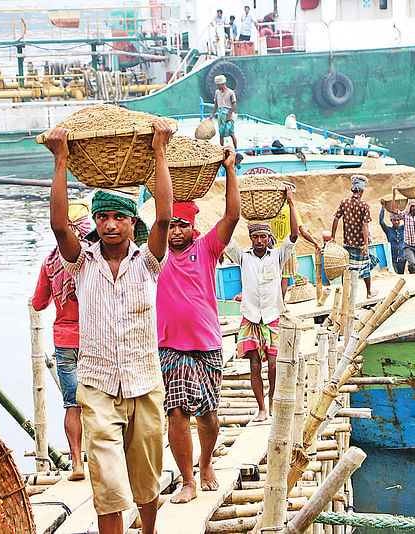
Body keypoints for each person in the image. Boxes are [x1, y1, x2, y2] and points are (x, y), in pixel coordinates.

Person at [45, 118, 173, 534]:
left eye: (120, 217)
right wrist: (61, 159)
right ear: (96, 223)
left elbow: (164, 221)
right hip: (98, 386)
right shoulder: (81, 262)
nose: (111, 225)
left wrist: (159, 152)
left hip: (144, 382)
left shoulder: (148, 262)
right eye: (103, 218)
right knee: (108, 487)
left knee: (146, 481)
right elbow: (60, 225)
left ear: (132, 223)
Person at [156, 149, 240, 504]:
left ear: (194, 227)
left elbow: (233, 216)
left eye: (182, 225)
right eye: (171, 224)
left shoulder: (206, 248)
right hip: (170, 346)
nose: (176, 230)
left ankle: (206, 465)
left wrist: (230, 170)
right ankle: (186, 480)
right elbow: (155, 221)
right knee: (176, 410)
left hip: (207, 344)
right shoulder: (155, 254)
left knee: (208, 414)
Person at [31, 200, 93, 482]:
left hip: (65, 338)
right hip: (95, 337)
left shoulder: (50, 262)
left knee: (72, 404)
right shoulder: (92, 259)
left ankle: (77, 463)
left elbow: (38, 302)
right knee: (103, 400)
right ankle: (105, 458)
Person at [225, 197, 298, 421]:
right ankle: (261, 409)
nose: (259, 240)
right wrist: (230, 210)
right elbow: (225, 238)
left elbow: (293, 236)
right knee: (254, 365)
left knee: (274, 364)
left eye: (263, 236)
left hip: (272, 315)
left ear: (268, 239)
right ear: (251, 238)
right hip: (250, 317)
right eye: (255, 237)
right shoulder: (243, 257)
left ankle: (273, 401)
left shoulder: (277, 255)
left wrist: (291, 204)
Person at [271, 181, 321, 298]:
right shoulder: (291, 211)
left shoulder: (272, 210)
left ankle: (274, 304)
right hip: (287, 250)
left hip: (272, 249)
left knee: (274, 278)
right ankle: (281, 304)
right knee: (285, 277)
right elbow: (302, 232)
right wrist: (315, 243)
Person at [331, 175, 377, 298]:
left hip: (347, 243)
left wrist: (333, 236)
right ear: (362, 191)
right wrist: (366, 244)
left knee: (347, 268)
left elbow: (336, 218)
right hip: (360, 244)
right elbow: (365, 225)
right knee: (366, 267)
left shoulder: (344, 202)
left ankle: (345, 294)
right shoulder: (364, 206)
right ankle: (369, 292)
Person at [210, 74, 238, 150]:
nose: (218, 86)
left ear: (223, 84)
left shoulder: (230, 92)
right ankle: (222, 148)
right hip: (221, 114)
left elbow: (234, 104)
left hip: (228, 113)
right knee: (221, 133)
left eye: (218, 85)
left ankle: (236, 149)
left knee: (231, 132)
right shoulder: (217, 92)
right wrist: (212, 114)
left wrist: (229, 115)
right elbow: (216, 104)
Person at [378, 200, 406, 275]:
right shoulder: (389, 230)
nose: (396, 222)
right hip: (393, 257)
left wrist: (400, 213)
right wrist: (383, 207)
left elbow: (408, 220)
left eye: (398, 220)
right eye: (394, 220)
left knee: (401, 274)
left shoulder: (403, 229)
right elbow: (381, 222)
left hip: (402, 257)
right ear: (391, 221)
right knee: (395, 275)